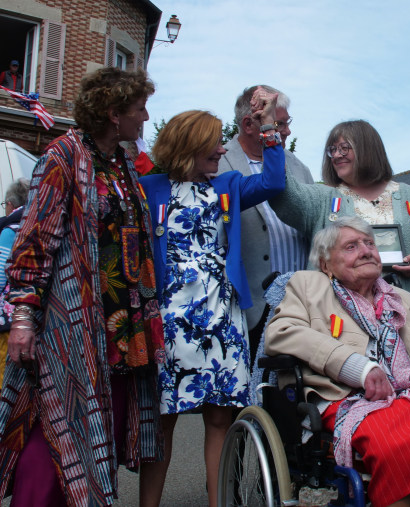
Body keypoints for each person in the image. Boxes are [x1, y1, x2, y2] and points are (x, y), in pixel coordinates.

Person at [0, 67, 164, 506]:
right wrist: (22, 316)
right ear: (113, 114)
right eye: (138, 108)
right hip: (71, 325)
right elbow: (34, 239)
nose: (145, 117)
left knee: (98, 434)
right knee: (55, 427)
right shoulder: (62, 155)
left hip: (120, 326)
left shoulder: (123, 164)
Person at [265, 217, 410, 507]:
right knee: (394, 442)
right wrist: (356, 367)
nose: (365, 251)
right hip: (346, 399)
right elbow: (281, 333)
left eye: (369, 244)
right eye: (351, 246)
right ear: (326, 264)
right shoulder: (307, 287)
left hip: (409, 397)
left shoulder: (406, 302)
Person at [138, 98, 285, 507]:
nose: (223, 149)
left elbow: (274, 183)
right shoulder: (148, 188)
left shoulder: (228, 184)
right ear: (187, 146)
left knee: (220, 416)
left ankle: (218, 501)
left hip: (222, 314)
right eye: (213, 144)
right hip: (168, 318)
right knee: (162, 419)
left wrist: (269, 128)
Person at [269, 119, 410, 322]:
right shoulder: (323, 198)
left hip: (407, 315)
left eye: (344, 148)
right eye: (333, 150)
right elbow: (284, 194)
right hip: (342, 319)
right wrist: (269, 134)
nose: (336, 155)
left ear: (367, 149)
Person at [217, 85, 313, 351]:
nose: (287, 131)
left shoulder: (297, 165)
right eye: (279, 123)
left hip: (299, 303)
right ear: (250, 124)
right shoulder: (219, 164)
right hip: (250, 308)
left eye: (285, 122)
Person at [0, 178, 30, 385]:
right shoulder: (35, 225)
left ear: (10, 204)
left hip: (7, 324)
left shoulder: (10, 230)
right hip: (29, 321)